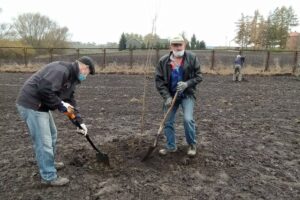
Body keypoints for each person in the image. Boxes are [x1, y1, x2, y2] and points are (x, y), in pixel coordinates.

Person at [16, 56, 95, 186]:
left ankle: (49, 163)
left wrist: (79, 122)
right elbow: (44, 89)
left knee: (52, 135)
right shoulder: (61, 70)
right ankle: (48, 176)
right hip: (32, 104)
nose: (86, 76)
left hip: (41, 107)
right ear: (84, 67)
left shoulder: (72, 78)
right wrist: (60, 105)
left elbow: (69, 101)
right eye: (88, 73)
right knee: (44, 142)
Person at [155, 35, 202, 157]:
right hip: (171, 96)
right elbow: (159, 82)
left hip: (187, 95)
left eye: (180, 44)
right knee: (168, 121)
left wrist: (187, 84)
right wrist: (167, 97)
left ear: (184, 45)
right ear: (171, 46)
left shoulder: (191, 58)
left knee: (187, 119)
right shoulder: (163, 61)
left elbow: (199, 76)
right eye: (175, 45)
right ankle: (171, 146)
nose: (177, 47)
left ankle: (192, 144)